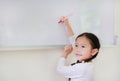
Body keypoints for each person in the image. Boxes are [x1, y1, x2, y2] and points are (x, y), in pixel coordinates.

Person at [57, 16, 100, 81]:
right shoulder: (88, 64)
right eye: (76, 45)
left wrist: (65, 54)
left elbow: (60, 70)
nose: (77, 49)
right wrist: (67, 23)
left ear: (93, 51)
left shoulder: (82, 68)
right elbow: (73, 40)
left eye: (83, 46)